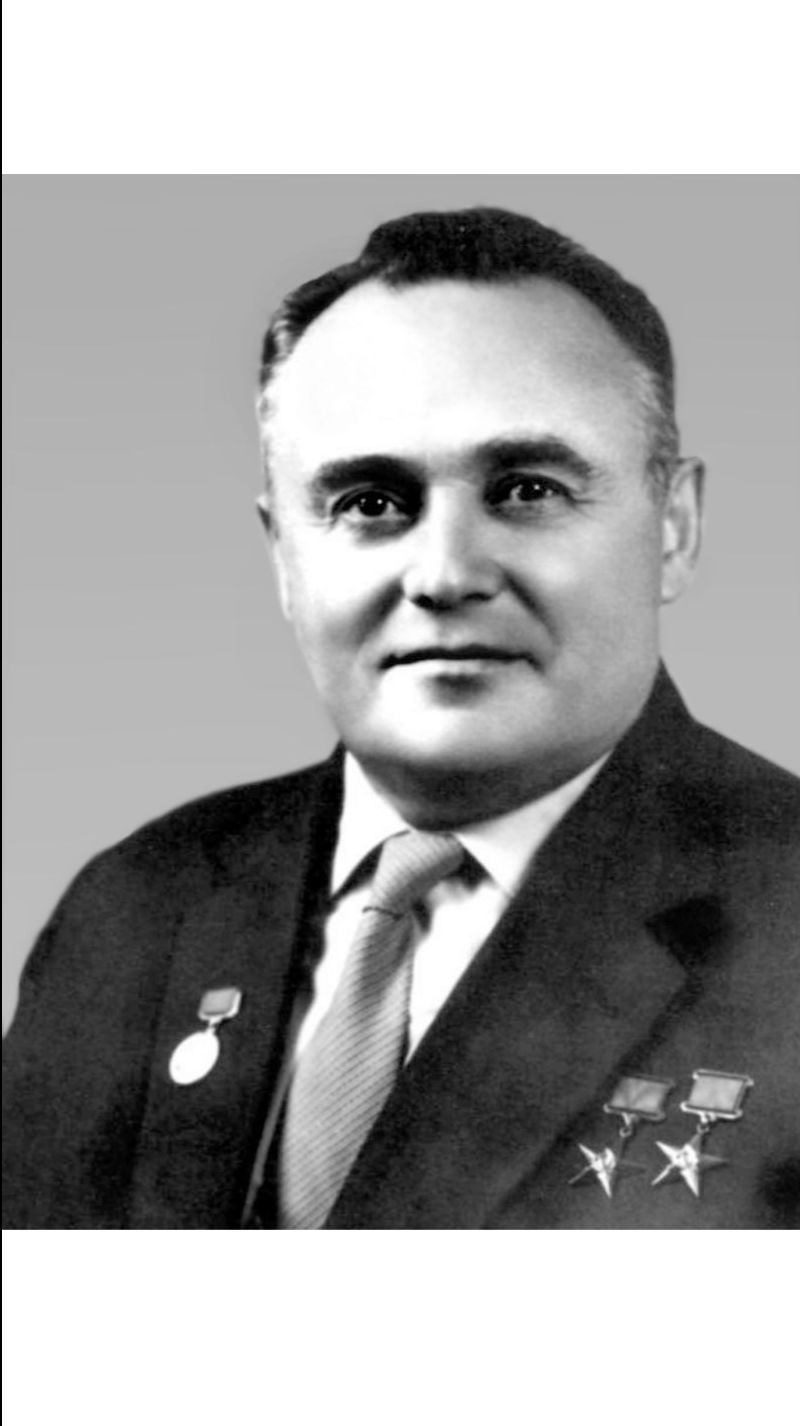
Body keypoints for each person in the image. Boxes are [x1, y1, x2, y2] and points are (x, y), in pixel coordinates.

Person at [3, 207, 799, 1229]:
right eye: (371, 503)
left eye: (526, 489)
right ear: (283, 556)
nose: (444, 574)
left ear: (674, 529)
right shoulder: (137, 906)